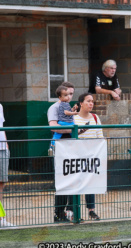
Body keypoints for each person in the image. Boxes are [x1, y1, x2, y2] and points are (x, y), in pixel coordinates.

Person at [47, 81, 76, 222]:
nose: (69, 97)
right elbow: (53, 127)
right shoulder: (54, 108)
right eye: (67, 94)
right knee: (61, 180)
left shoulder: (69, 108)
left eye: (71, 94)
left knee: (73, 179)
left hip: (72, 147)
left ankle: (70, 211)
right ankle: (58, 213)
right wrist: (73, 130)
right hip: (60, 147)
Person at [73, 93, 104, 221]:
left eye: (92, 101)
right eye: (88, 101)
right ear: (81, 103)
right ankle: (73, 211)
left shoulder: (95, 118)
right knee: (75, 183)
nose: (91, 103)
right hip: (76, 155)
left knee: (90, 183)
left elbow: (100, 137)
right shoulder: (74, 119)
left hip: (91, 155)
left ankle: (91, 210)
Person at [0, 104, 14, 227]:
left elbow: (1, 127)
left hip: (2, 148)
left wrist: (6, 145)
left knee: (1, 184)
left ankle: (0, 219)